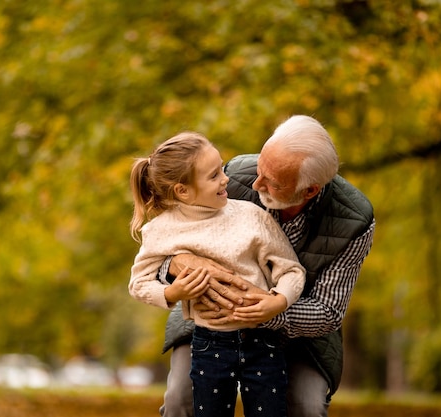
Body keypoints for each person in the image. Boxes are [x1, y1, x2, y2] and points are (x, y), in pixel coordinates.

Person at [158, 115, 375, 417]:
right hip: (208, 319)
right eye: (260, 168)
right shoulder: (232, 175)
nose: (255, 183)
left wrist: (272, 309)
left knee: (306, 407)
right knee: (181, 397)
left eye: (271, 182)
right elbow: (164, 239)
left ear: (309, 190)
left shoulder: (355, 220)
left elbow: (328, 311)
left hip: (298, 334)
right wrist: (175, 264)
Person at [128, 131, 306, 417]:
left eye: (222, 168)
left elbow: (292, 270)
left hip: (262, 340)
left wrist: (278, 301)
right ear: (182, 191)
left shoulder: (251, 216)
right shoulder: (160, 230)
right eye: (213, 176)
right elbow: (138, 284)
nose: (225, 179)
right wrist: (173, 292)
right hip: (209, 344)